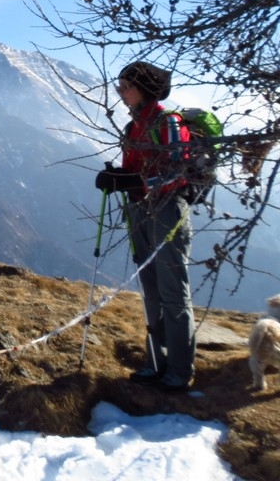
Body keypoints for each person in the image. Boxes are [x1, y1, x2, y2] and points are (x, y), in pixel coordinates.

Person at [95, 61, 196, 393]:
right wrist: (120, 180)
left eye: (126, 85)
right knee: (151, 290)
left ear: (145, 87)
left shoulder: (167, 122)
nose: (121, 90)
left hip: (167, 211)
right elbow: (135, 172)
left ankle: (179, 370)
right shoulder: (133, 126)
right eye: (120, 84)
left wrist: (134, 183)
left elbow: (178, 170)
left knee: (172, 291)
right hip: (141, 210)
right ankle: (156, 363)